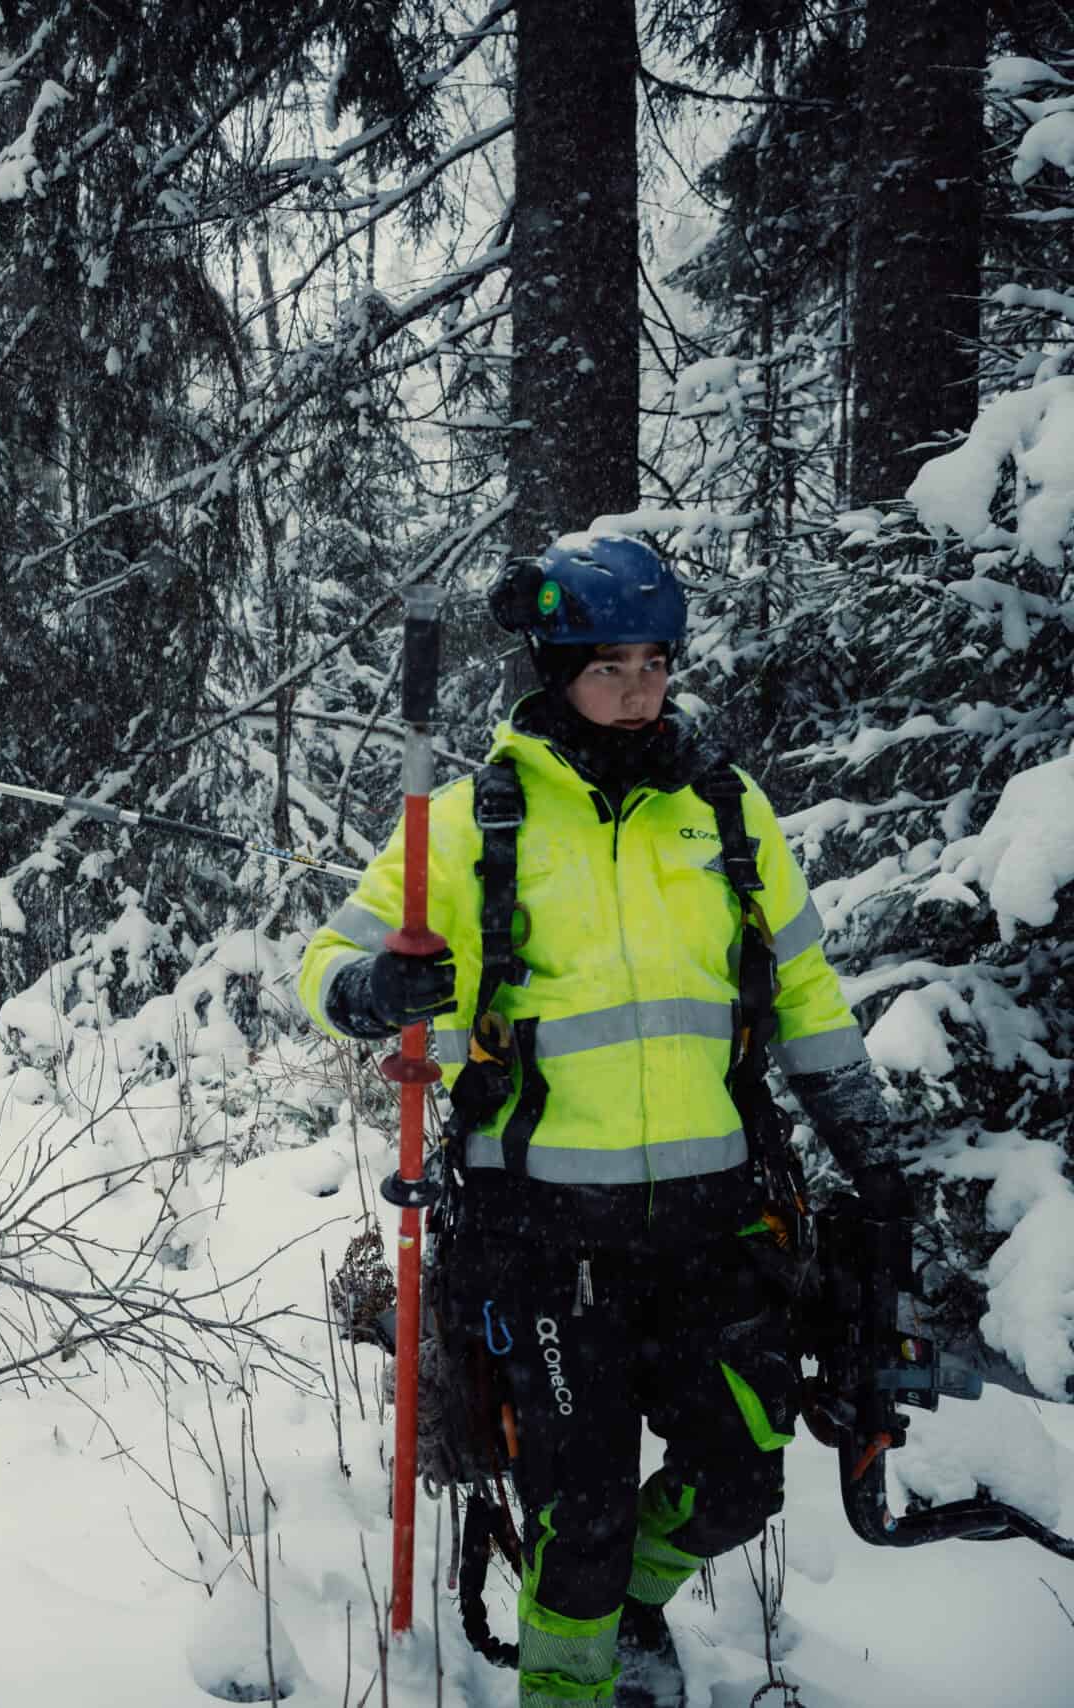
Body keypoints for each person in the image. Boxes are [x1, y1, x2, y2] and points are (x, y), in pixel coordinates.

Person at [298, 536, 913, 1708]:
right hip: (540, 1241)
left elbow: (806, 997)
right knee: (573, 1515)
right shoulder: (476, 822)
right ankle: (569, 1678)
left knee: (739, 1478)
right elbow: (329, 957)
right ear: (553, 665)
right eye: (607, 665)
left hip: (714, 1229)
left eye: (653, 662)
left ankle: (630, 1599)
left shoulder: (726, 813)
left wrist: (867, 1148)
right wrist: (370, 990)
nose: (637, 688)